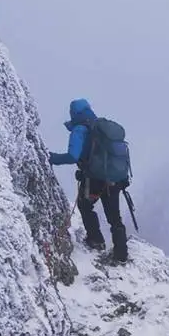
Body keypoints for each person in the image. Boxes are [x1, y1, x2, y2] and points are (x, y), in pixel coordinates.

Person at [49, 98, 129, 263]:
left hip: (94, 180)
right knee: (115, 217)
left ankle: (96, 241)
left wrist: (51, 158)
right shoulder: (101, 127)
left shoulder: (80, 130)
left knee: (85, 205)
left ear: (74, 113)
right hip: (115, 180)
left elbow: (73, 156)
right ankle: (121, 255)